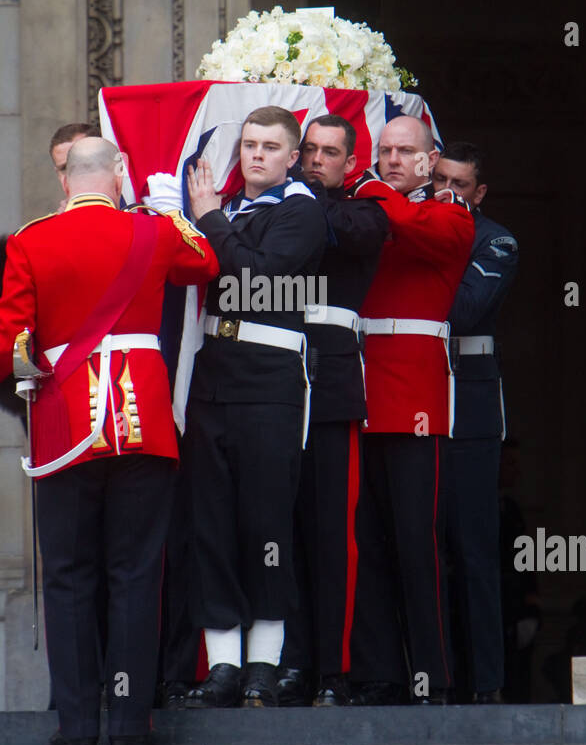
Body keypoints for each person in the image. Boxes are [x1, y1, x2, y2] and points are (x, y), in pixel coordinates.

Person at [0, 138, 219, 745]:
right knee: (135, 574)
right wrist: (177, 211)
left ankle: (76, 726)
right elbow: (205, 263)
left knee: (71, 578)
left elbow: (9, 336)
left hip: (67, 427)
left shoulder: (32, 240)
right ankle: (130, 724)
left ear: (67, 183)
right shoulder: (153, 233)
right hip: (141, 425)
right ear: (119, 175)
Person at [183, 106, 327, 708]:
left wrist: (212, 217)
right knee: (210, 524)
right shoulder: (232, 211)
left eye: (270, 146)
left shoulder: (302, 211)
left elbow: (257, 279)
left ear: (293, 157)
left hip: (270, 382)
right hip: (215, 375)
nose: (257, 155)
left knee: (266, 525)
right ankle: (222, 666)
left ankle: (264, 664)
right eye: (248, 145)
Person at [349, 114, 474, 705]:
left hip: (415, 396)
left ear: (430, 160)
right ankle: (381, 673)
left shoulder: (450, 213)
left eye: (406, 151)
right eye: (385, 151)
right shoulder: (369, 209)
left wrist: (368, 184)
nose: (393, 159)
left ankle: (433, 675)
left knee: (416, 544)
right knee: (364, 542)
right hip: (360, 388)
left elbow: (410, 224)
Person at [277, 115, 389, 707]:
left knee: (332, 535)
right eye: (310, 150)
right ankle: (290, 663)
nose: (318, 159)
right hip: (274, 385)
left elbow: (353, 234)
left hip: (332, 386)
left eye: (329, 153)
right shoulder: (283, 207)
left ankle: (333, 669)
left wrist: (296, 195)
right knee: (278, 532)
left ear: (351, 163)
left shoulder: (362, 211)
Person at [432, 143, 518, 704]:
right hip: (412, 393)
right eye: (439, 180)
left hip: (469, 399)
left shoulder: (496, 239)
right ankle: (428, 678)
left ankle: (485, 684)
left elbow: (462, 310)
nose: (446, 192)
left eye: (458, 185)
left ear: (478, 193)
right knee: (419, 544)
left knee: (473, 547)